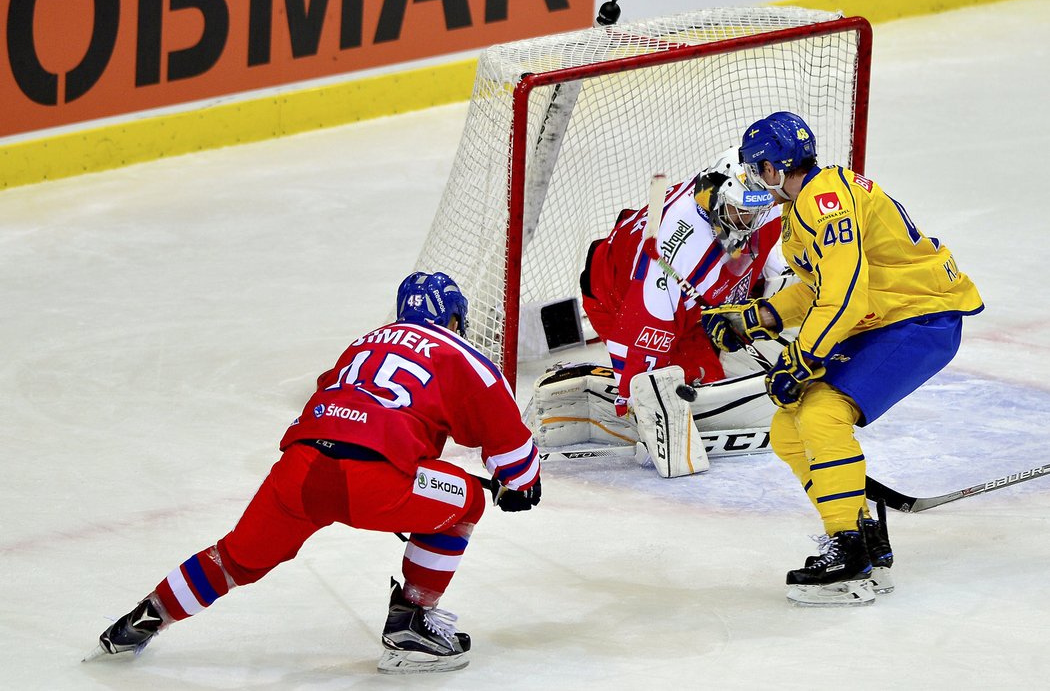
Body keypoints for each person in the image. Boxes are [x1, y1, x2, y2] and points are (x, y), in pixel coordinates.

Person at [86, 271, 542, 673]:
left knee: (234, 558)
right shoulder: (462, 354)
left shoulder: (363, 342)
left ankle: (143, 620)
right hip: (376, 482)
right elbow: (513, 449)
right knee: (467, 501)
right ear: (457, 321)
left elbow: (332, 397)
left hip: (300, 471)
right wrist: (520, 484)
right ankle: (411, 624)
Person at [701, 111, 984, 605]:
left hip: (922, 318)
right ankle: (862, 537)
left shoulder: (824, 203)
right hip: (890, 316)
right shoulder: (804, 208)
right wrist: (758, 316)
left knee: (823, 413)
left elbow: (846, 295)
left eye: (755, 168)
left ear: (773, 169)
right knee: (788, 430)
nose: (752, 179)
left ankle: (850, 551)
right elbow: (821, 290)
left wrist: (803, 356)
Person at [579, 149, 787, 417]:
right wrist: (638, 406)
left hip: (682, 303)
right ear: (719, 200)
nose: (750, 221)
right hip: (614, 297)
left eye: (755, 211)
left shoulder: (737, 197)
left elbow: (765, 258)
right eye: (741, 212)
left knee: (711, 375)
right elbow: (639, 347)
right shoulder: (674, 258)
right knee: (693, 389)